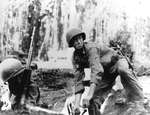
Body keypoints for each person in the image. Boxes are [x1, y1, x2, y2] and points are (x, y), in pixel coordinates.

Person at [66, 28, 144, 115]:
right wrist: (76, 105)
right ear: (72, 44)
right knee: (92, 102)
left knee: (123, 70)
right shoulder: (75, 58)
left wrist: (88, 95)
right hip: (106, 73)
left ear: (83, 39)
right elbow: (78, 81)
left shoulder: (91, 48)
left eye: (80, 38)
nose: (79, 42)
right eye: (75, 41)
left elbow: (96, 71)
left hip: (117, 62)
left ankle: (140, 99)